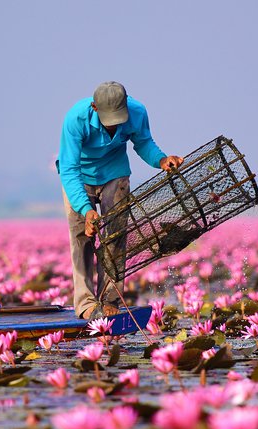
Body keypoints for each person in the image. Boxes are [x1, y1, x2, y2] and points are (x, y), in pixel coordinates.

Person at [58, 81, 183, 319]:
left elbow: (144, 142)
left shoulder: (137, 112)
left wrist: (162, 160)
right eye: (109, 119)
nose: (115, 124)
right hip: (79, 177)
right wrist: (86, 210)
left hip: (115, 172)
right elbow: (69, 169)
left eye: (119, 117)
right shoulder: (75, 119)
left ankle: (110, 299)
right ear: (94, 107)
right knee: (81, 238)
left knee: (115, 236)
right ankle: (86, 305)